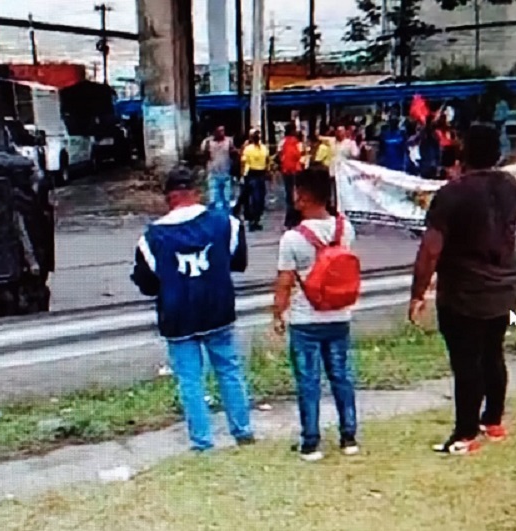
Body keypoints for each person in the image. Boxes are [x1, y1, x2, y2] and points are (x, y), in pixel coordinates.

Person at [409, 124, 516, 455]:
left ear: (464, 152)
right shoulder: (510, 186)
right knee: (493, 353)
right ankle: (493, 420)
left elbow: (430, 248)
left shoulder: (451, 194)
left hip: (463, 293)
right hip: (504, 288)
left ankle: (465, 433)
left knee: (466, 362)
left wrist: (418, 293)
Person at [130, 167, 253, 452]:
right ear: (197, 192)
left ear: (168, 198)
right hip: (218, 308)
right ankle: (243, 432)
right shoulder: (228, 224)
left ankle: (202, 443)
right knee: (229, 369)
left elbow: (147, 283)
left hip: (177, 316)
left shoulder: (151, 237)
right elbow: (238, 261)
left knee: (190, 379)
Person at [273, 167, 360, 462]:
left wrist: (278, 314)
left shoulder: (293, 239)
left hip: (305, 320)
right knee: (342, 377)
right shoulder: (345, 229)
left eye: (297, 192)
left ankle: (311, 442)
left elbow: (285, 282)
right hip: (340, 316)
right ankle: (349, 437)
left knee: (309, 381)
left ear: (305, 196)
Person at [201, 125, 236, 212]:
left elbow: (234, 155)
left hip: (226, 172)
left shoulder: (229, 141)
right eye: (219, 131)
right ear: (214, 133)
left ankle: (226, 216)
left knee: (226, 199)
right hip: (213, 173)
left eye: (223, 131)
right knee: (213, 199)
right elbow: (204, 156)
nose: (222, 133)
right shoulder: (208, 142)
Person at [240, 128, 269, 231]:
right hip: (252, 174)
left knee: (260, 199)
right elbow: (244, 162)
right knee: (255, 198)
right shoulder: (248, 149)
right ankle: (252, 220)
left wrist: (268, 171)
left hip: (261, 174)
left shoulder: (263, 148)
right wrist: (243, 176)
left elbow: (267, 160)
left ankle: (256, 219)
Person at [279, 123, 303, 229]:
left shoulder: (283, 142)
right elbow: (302, 155)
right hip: (296, 171)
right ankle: (296, 218)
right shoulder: (297, 143)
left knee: (289, 196)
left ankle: (290, 220)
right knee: (297, 195)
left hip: (286, 171)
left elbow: (279, 154)